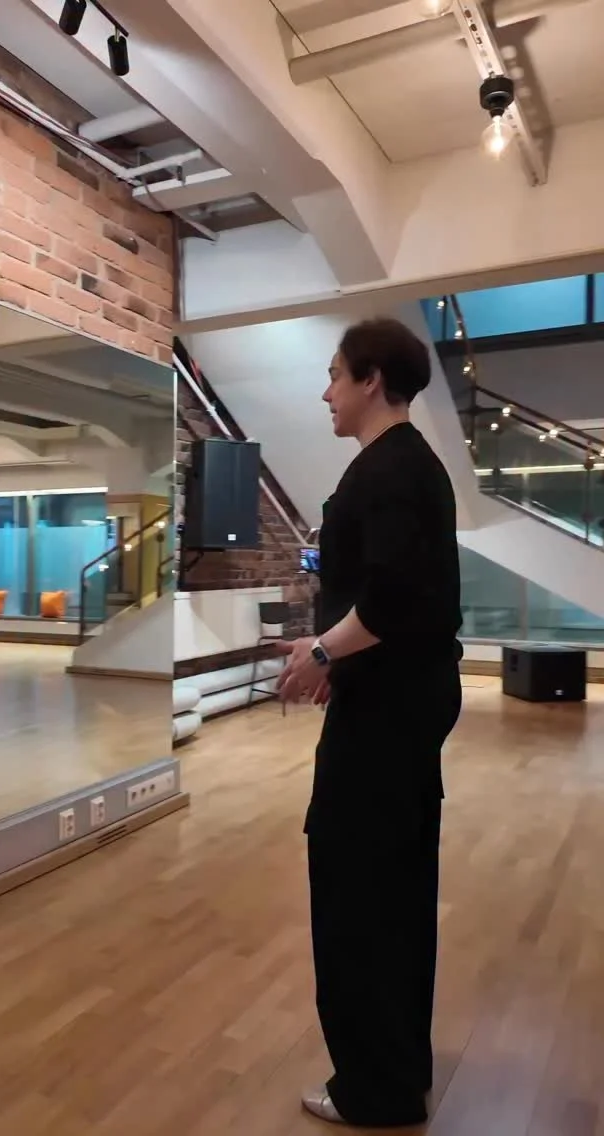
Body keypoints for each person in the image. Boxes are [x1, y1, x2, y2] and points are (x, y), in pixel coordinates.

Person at [277, 317, 463, 1129]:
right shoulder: (406, 464)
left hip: (389, 713)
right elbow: (395, 601)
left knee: (359, 896)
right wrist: (340, 664)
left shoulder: (389, 471)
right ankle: (395, 1071)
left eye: (334, 375)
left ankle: (375, 1089)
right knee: (392, 890)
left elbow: (391, 600)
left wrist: (322, 651)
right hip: (398, 700)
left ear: (371, 380)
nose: (326, 392)